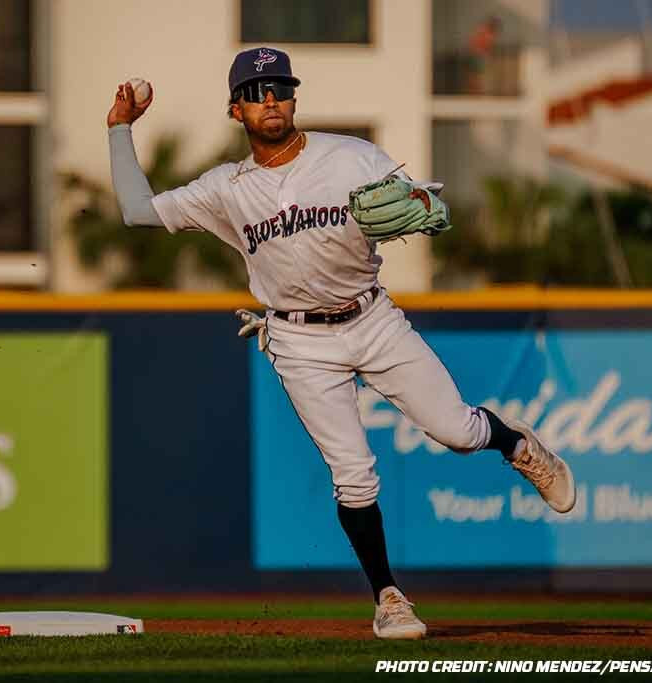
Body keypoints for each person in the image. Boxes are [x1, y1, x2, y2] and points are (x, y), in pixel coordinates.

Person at [107, 47, 575, 640]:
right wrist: (120, 127)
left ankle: (517, 445)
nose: (269, 98)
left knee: (457, 432)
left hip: (373, 320)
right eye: (255, 92)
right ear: (236, 110)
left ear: (294, 98)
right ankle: (390, 598)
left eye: (279, 87)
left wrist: (426, 204)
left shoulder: (351, 155)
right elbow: (135, 210)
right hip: (300, 342)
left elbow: (428, 203)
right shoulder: (225, 188)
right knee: (353, 475)